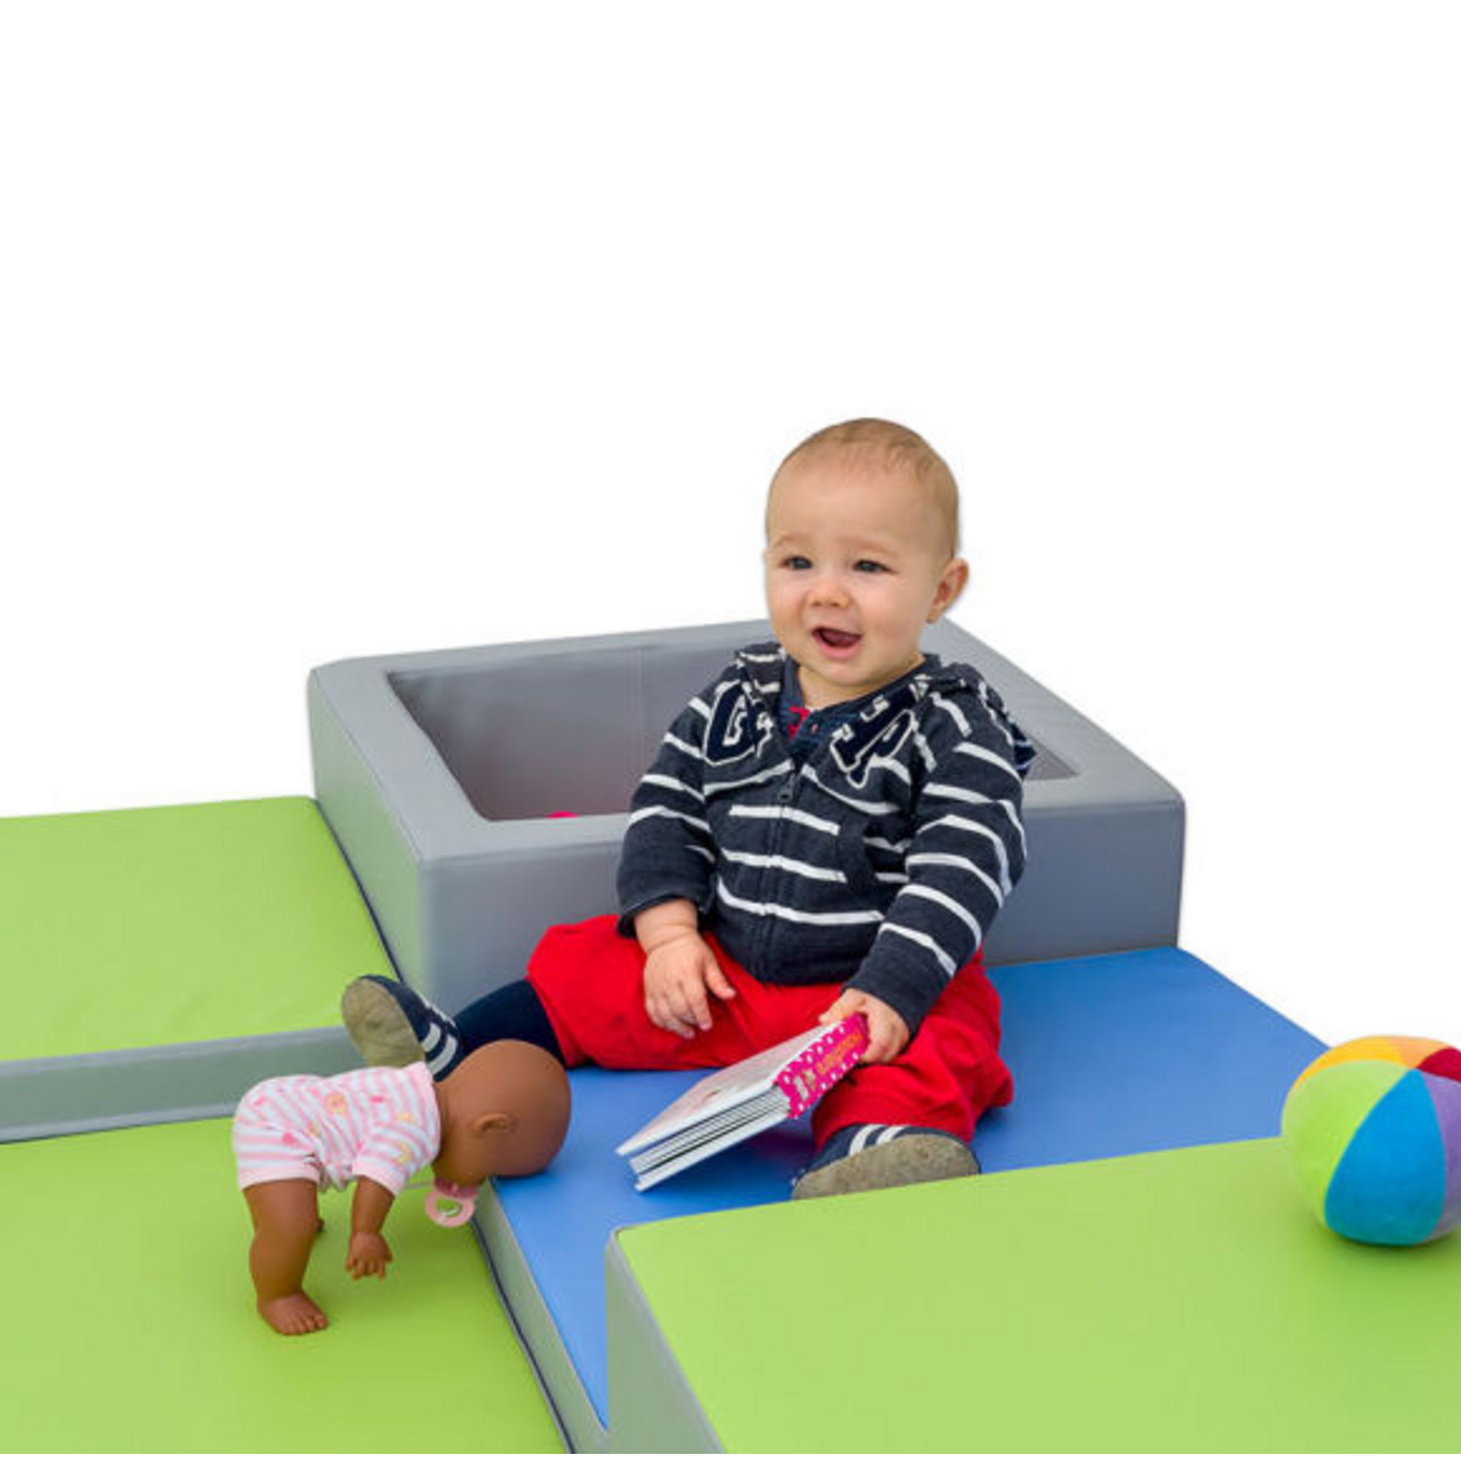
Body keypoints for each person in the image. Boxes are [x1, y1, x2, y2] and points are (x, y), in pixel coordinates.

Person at [343, 418, 1034, 1198]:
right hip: (726, 973)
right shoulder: (738, 694)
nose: (827, 591)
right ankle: (456, 1051)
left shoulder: (953, 726)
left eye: (868, 566)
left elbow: (964, 866)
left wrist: (893, 985)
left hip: (864, 990)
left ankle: (870, 1146)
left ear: (941, 589)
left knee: (938, 1042)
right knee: (590, 970)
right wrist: (669, 934)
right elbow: (668, 806)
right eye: (797, 561)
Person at [233, 1039, 569, 1334]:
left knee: (286, 1211)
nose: (479, 1182)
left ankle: (280, 1216)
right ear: (490, 1127)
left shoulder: (415, 1086)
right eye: (488, 1170)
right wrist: (366, 1232)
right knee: (291, 1226)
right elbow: (378, 1175)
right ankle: (278, 1295)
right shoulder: (416, 1129)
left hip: (286, 1099)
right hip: (276, 1129)